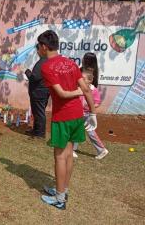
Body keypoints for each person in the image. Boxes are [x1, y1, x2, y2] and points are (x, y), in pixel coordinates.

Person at [37, 30, 97, 210]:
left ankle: (60, 198)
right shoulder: (70, 63)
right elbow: (87, 89)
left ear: (44, 47)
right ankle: (62, 189)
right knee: (69, 154)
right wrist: (92, 113)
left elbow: (62, 94)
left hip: (63, 117)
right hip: (78, 115)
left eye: (38, 47)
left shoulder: (46, 67)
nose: (38, 50)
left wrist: (78, 94)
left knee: (60, 157)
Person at [73, 70, 109, 159]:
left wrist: (90, 107)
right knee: (78, 130)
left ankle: (101, 150)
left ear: (90, 81)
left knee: (88, 131)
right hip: (78, 113)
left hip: (87, 115)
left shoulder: (94, 90)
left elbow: (97, 103)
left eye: (83, 78)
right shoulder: (78, 87)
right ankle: (73, 149)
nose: (80, 80)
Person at [25, 44, 50, 138]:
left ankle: (40, 133)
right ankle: (36, 131)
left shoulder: (43, 62)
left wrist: (27, 72)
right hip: (41, 91)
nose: (37, 52)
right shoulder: (44, 61)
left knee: (39, 113)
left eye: (38, 50)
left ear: (43, 49)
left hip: (39, 92)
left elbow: (34, 77)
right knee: (37, 112)